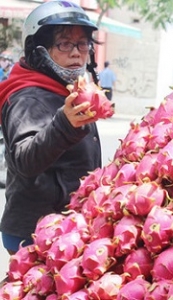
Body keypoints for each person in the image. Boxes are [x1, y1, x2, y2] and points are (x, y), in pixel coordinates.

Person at [0, 0, 102, 255]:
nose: (77, 53)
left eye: (82, 44)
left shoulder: (67, 92)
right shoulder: (27, 98)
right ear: (37, 50)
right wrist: (64, 125)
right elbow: (24, 160)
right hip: (36, 230)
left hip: (65, 224)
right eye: (65, 44)